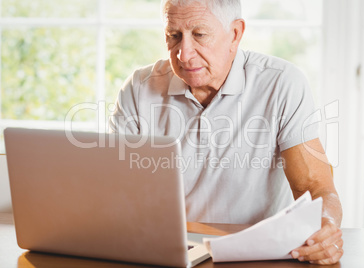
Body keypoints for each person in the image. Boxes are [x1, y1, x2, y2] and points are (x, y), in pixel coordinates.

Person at [109, 0, 343, 265]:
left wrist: (326, 228)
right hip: (164, 252)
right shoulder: (139, 88)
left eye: (199, 35)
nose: (184, 53)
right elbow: (113, 191)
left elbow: (317, 188)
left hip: (258, 256)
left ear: (235, 34)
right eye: (174, 36)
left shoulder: (282, 83)